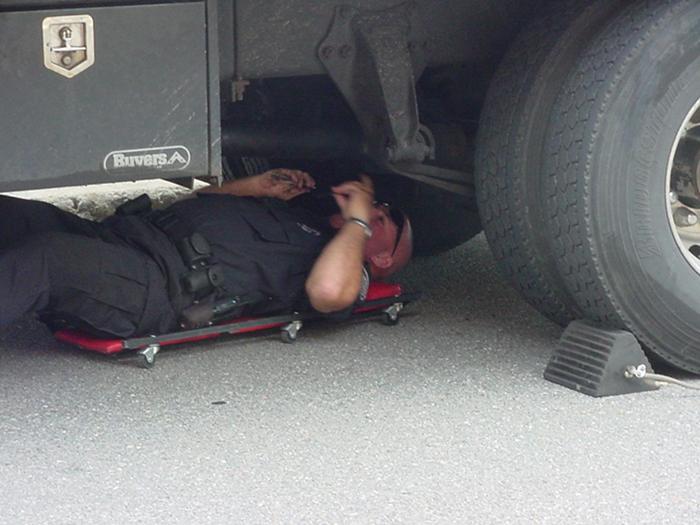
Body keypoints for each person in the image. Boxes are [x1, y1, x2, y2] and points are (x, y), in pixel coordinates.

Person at [0, 170, 412, 338]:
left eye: (387, 219)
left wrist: (358, 224)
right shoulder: (304, 223)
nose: (378, 210)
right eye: (380, 206)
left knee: (45, 259)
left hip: (153, 284)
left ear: (383, 260)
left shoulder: (347, 273)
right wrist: (257, 187)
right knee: (15, 215)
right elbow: (200, 204)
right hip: (121, 238)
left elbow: (327, 292)